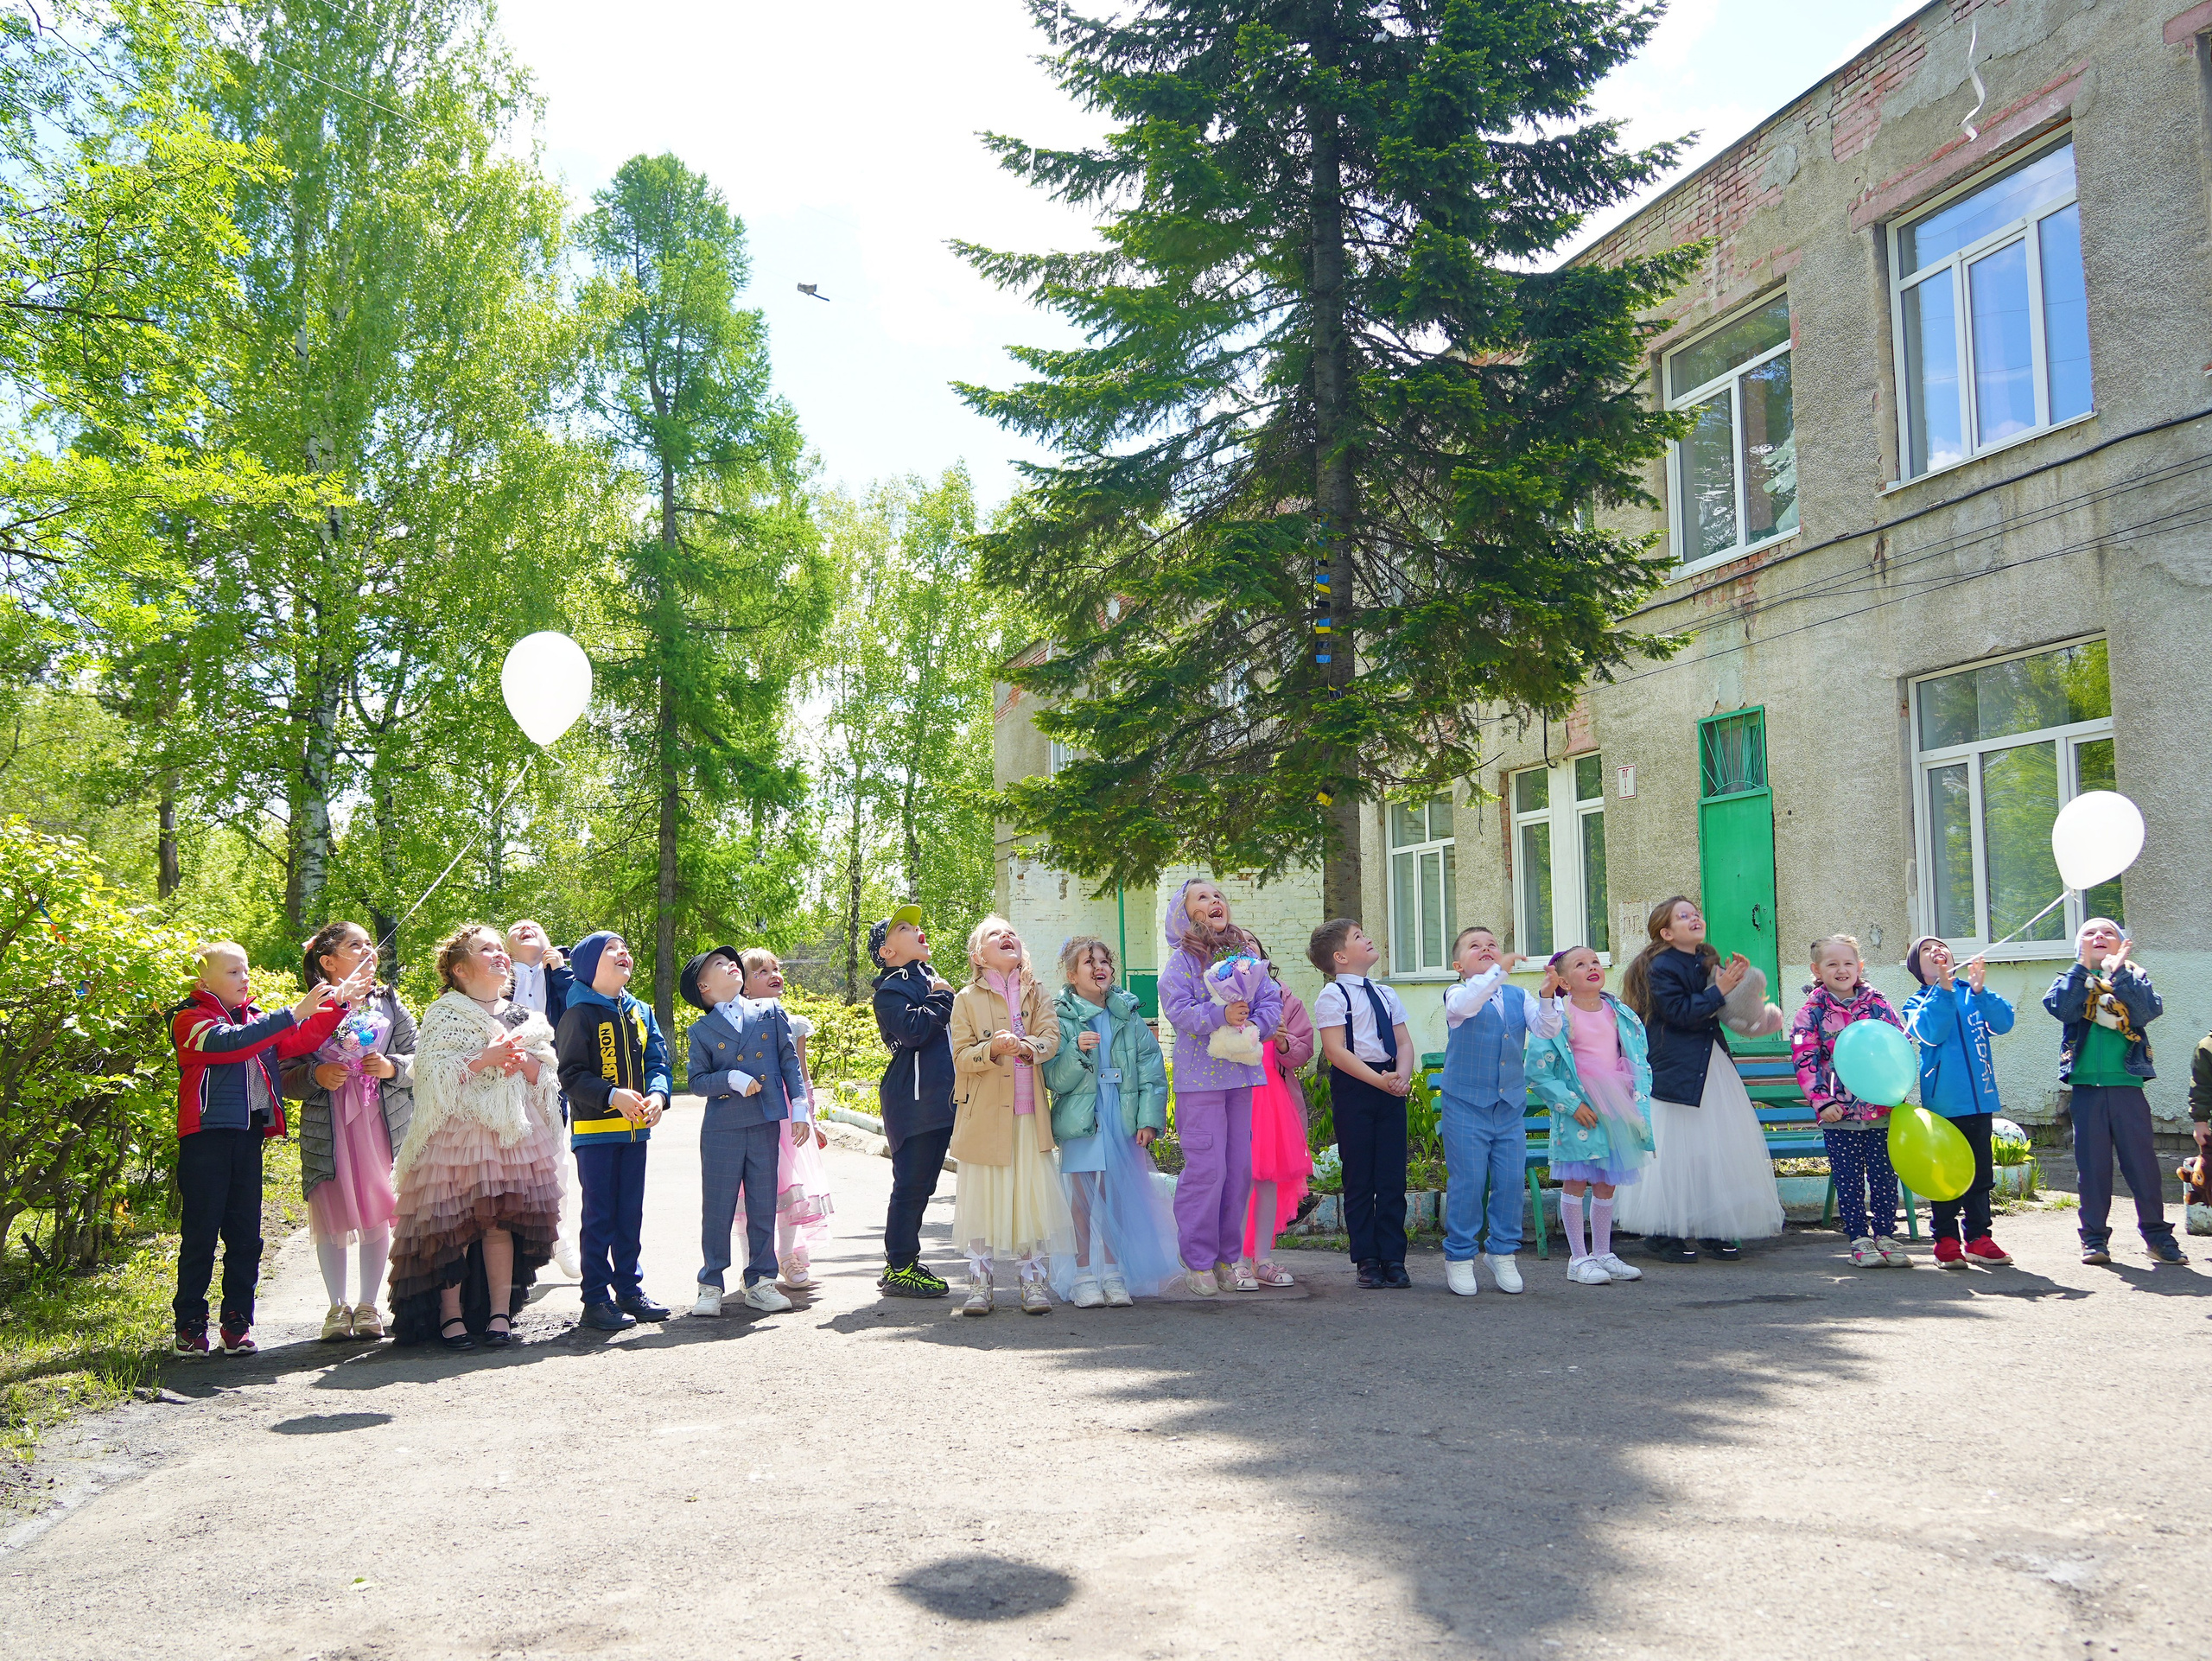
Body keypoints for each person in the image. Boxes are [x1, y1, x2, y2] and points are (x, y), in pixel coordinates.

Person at [168, 942, 357, 1356]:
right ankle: (189, 1324)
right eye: (233, 972)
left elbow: (296, 1038)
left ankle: (237, 1320)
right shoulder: (189, 1018)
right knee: (200, 1233)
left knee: (245, 1235)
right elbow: (232, 1044)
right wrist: (293, 1013)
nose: (245, 978)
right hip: (205, 1136)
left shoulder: (257, 1019)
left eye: (246, 970)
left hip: (248, 1134)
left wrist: (336, 1006)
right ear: (204, 981)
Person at [389, 924, 566, 1349]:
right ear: (460, 969)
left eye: (499, 948)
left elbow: (548, 1076)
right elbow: (429, 1075)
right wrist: (484, 1059)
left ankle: (499, 1314)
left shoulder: (525, 1016)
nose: (499, 955)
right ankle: (451, 1317)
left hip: (513, 1136)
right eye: (486, 949)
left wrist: (524, 1064)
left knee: (500, 1224)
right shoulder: (444, 1013)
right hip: (458, 1135)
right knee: (455, 1226)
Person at [1615, 896, 1783, 1263]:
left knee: (1716, 1148)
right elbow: (1678, 1013)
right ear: (1666, 932)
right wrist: (1721, 989)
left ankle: (1713, 1226)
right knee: (1676, 1152)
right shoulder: (1660, 966)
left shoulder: (1706, 956)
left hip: (1711, 1063)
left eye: (1696, 913)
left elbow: (1723, 1010)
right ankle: (1663, 1233)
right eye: (1684, 916)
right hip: (1676, 1067)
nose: (1695, 918)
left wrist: (1750, 1000)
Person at [282, 920, 415, 1340]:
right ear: (328, 962)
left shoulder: (389, 1002)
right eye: (355, 945)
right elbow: (284, 1072)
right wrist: (315, 1074)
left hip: (379, 1117)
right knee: (332, 1206)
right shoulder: (309, 1006)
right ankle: (336, 1307)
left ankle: (368, 1304)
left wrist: (393, 1067)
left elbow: (421, 1056)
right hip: (329, 1123)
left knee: (379, 1204)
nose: (368, 952)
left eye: (370, 945)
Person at [1160, 879, 1283, 1295]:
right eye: (1203, 897)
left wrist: (1252, 1026)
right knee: (1207, 1170)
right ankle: (1196, 1258)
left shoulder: (1246, 956)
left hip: (1242, 1075)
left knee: (1239, 1170)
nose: (1215, 901)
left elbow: (1271, 1002)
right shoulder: (1181, 961)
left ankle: (1227, 1257)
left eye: (1218, 896)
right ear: (1185, 913)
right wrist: (1221, 1014)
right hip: (1200, 1081)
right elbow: (1179, 1011)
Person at [1040, 935, 1174, 1306]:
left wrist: (1148, 1119)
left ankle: (1114, 1271)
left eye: (1105, 961)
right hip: (1083, 1114)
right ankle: (1083, 1273)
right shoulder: (1060, 1016)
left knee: (1116, 1193)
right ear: (1071, 975)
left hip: (1122, 1112)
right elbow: (1054, 1078)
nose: (1100, 967)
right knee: (1082, 1196)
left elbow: (1151, 1071)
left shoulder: (1127, 1013)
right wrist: (1075, 1051)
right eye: (1089, 962)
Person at [949, 915, 1073, 1314]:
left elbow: (1051, 1038)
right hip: (985, 1116)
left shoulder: (1036, 993)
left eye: (1011, 933)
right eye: (994, 935)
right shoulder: (966, 998)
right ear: (978, 954)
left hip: (1028, 1113)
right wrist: (992, 1049)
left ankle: (1032, 1280)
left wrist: (1024, 1046)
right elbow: (961, 1057)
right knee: (984, 1198)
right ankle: (979, 1282)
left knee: (1030, 1200)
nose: (1006, 937)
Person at [2044, 918, 2184, 1266]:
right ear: (2079, 947)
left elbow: (2146, 1010)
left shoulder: (2134, 978)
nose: (2099, 937)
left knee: (2143, 1166)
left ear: (2121, 944)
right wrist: (2082, 968)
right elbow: (2062, 1007)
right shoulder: (2071, 980)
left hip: (2127, 1085)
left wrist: (2118, 973)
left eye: (2108, 932)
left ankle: (2157, 1237)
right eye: (2089, 933)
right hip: (2087, 1090)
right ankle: (2093, 1238)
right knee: (2092, 1168)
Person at [679, 944, 805, 1318]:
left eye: (733, 962)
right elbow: (697, 1080)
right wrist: (731, 1078)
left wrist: (799, 1107)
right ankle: (710, 1283)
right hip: (722, 1127)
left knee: (763, 1204)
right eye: (720, 964)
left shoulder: (768, 1010)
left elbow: (788, 1061)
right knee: (717, 1207)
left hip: (765, 1120)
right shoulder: (700, 1030)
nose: (732, 965)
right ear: (703, 987)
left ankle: (761, 1281)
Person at [1435, 926, 1562, 1296]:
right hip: (1466, 1105)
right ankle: (1459, 1256)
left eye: (1492, 944)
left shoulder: (1516, 994)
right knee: (1469, 1182)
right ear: (1459, 965)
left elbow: (1546, 1028)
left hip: (1508, 1107)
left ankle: (1502, 1252)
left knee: (1509, 1182)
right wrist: (1497, 971)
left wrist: (1547, 998)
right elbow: (1467, 1005)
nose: (1487, 949)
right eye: (1475, 946)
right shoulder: (1457, 992)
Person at [556, 931, 672, 1332]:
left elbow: (658, 1059)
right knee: (600, 1216)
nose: (623, 953)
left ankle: (629, 1289)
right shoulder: (579, 1014)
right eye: (611, 950)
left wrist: (657, 1095)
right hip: (596, 1133)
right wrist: (610, 1094)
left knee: (630, 1214)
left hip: (635, 1133)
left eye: (625, 948)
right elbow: (570, 1075)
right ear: (589, 968)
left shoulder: (640, 1011)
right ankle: (595, 1299)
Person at [1527, 944, 1650, 1286]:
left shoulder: (1619, 1013)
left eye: (1595, 961)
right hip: (1579, 1109)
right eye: (1580, 964)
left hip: (1616, 1107)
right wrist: (1570, 1104)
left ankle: (1603, 1253)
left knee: (1607, 1182)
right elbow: (1538, 1072)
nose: (1592, 966)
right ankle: (1578, 1258)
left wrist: (1636, 1101)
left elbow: (1637, 1055)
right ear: (1564, 982)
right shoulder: (1558, 1018)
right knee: (1576, 1179)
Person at [1788, 935, 1910, 1269]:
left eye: (1848, 963)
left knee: (1885, 1176)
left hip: (1882, 1109)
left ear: (1860, 967)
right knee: (1849, 1179)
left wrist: (1897, 1091)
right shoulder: (1810, 1014)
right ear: (1816, 970)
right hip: (1839, 1113)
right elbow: (1805, 1061)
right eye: (1832, 964)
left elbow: (1897, 1047)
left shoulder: (1879, 1006)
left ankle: (1886, 1235)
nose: (1842, 970)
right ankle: (1859, 1239)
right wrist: (1822, 1102)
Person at [1308, 918, 1414, 1290]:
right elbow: (1336, 1051)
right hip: (1356, 1085)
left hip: (1390, 1084)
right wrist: (1380, 1081)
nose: (1367, 939)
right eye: (1358, 937)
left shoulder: (1386, 994)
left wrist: (1401, 1076)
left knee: (1391, 1175)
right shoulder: (1333, 996)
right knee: (1359, 1177)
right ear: (1340, 956)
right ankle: (1366, 1259)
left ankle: (1393, 1258)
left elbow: (1403, 1042)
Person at [1900, 935, 2015, 1270]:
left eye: (1941, 946)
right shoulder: (1919, 1001)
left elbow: (2004, 1023)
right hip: (1944, 1105)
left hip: (1980, 1100)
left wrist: (1981, 992)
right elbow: (1932, 1033)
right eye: (1926, 950)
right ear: (1918, 969)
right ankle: (1946, 1239)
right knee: (1946, 1174)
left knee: (1980, 1174)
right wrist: (1945, 993)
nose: (1937, 951)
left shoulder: (1972, 992)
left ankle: (1979, 1237)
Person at [870, 905, 957, 1298]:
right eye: (904, 928)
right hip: (916, 1100)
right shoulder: (892, 989)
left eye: (917, 924)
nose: (916, 929)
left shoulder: (930, 980)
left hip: (944, 1098)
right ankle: (900, 1265)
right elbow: (915, 1032)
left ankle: (902, 1262)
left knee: (924, 1185)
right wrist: (942, 1000)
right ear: (887, 953)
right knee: (911, 1185)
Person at [736, 948, 835, 1291]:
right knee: (749, 1192)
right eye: (761, 971)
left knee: (791, 1188)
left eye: (775, 968)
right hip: (753, 1113)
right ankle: (752, 1264)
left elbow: (803, 1077)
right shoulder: (735, 1023)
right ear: (743, 985)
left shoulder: (793, 1024)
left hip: (787, 1121)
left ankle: (788, 1255)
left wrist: (811, 1116)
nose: (773, 973)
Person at [1242, 957, 1315, 1285]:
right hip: (1238, 1093)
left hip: (1272, 1096)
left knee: (1267, 1177)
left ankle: (1262, 1257)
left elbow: (1303, 1051)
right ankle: (1235, 1258)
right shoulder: (1220, 999)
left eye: (1252, 948)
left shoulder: (1287, 1000)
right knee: (1238, 1179)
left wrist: (1284, 1041)